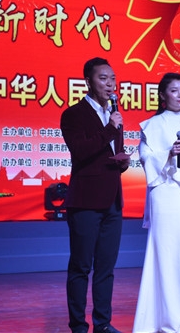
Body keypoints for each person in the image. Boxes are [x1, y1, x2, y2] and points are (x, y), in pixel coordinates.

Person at [133, 72, 180, 333]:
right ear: (163, 95)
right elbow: (145, 158)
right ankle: (164, 320)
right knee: (166, 253)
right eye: (175, 90)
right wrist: (168, 154)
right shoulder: (152, 125)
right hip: (164, 192)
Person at [60, 57, 129, 333]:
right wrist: (110, 129)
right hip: (85, 201)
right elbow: (81, 151)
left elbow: (110, 153)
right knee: (81, 266)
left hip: (113, 200)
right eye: (103, 78)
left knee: (106, 268)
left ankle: (103, 323)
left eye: (113, 79)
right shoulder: (73, 114)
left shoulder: (114, 114)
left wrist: (122, 163)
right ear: (88, 82)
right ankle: (78, 326)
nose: (110, 84)